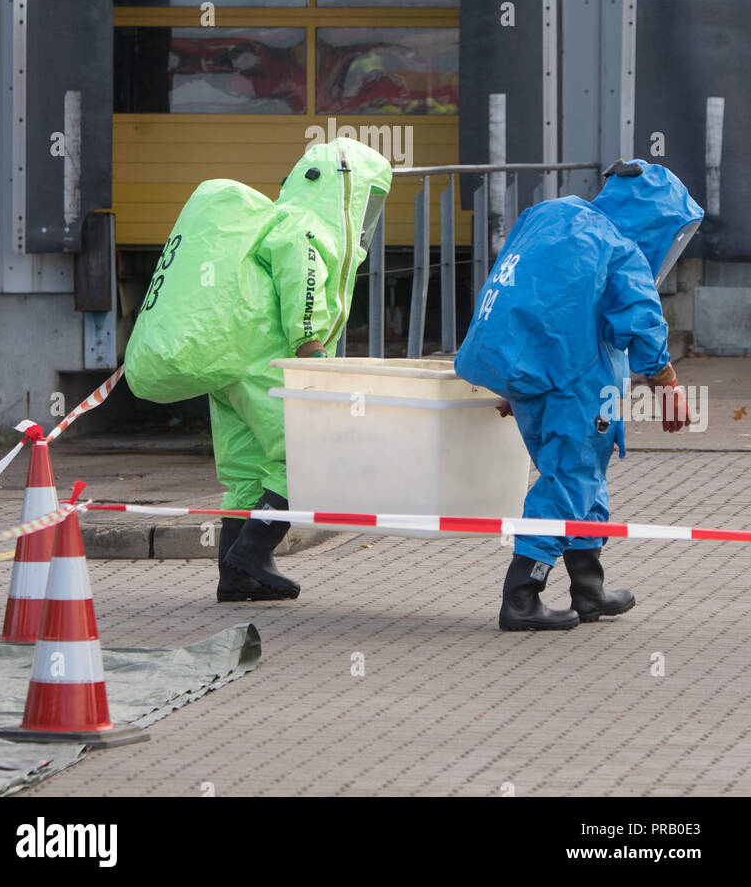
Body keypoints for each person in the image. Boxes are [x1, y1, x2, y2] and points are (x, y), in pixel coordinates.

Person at [124, 137, 392, 603]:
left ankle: (235, 578)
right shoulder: (307, 228)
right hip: (271, 359)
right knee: (307, 456)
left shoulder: (277, 219)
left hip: (233, 359)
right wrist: (310, 350)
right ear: (346, 189)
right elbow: (302, 284)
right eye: (370, 199)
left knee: (247, 470)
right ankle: (251, 554)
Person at [455, 159, 703, 632]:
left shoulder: (550, 214)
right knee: (570, 481)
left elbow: (515, 288)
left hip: (539, 372)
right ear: (654, 220)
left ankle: (588, 589)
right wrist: (668, 385)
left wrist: (515, 376)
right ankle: (522, 596)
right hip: (575, 381)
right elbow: (641, 321)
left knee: (581, 477)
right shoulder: (619, 245)